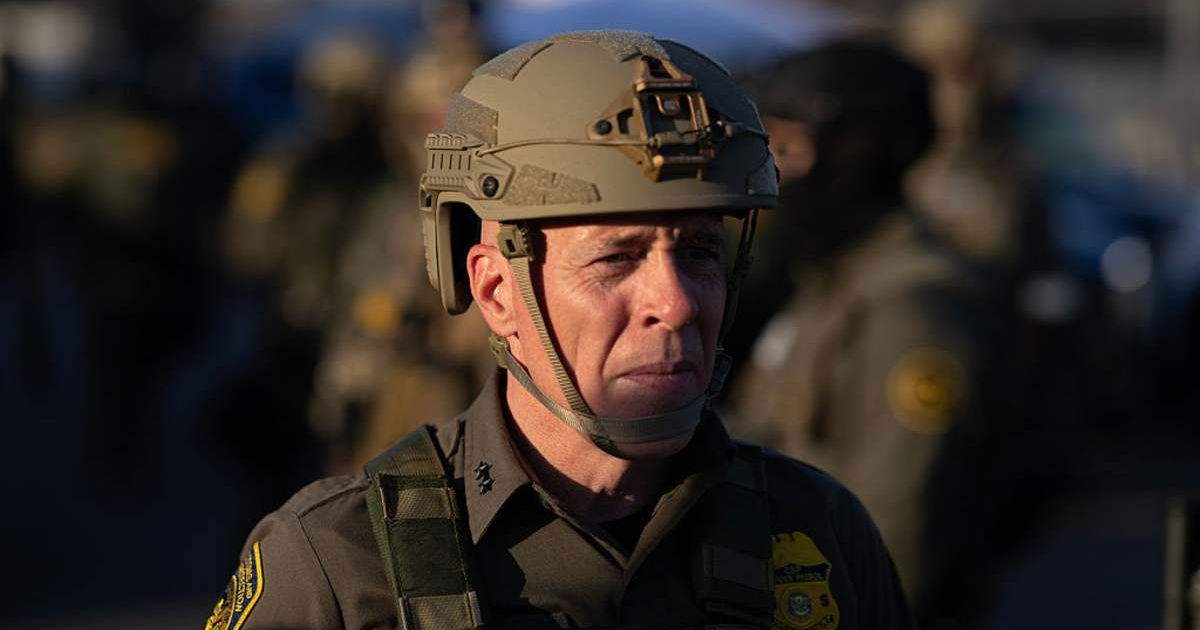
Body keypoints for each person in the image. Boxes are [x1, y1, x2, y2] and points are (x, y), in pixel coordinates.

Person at [206, 31, 914, 630]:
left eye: (700, 251)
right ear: (495, 292)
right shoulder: (335, 562)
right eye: (617, 258)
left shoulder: (820, 531)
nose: (676, 303)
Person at [731, 41, 1034, 628]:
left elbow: (900, 535)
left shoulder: (914, 312)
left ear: (858, 155)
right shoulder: (831, 283)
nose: (775, 176)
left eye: (791, 149)